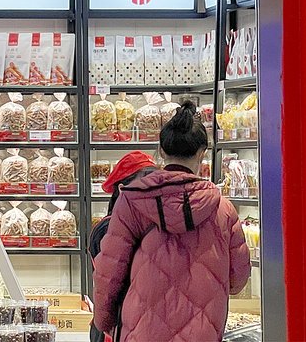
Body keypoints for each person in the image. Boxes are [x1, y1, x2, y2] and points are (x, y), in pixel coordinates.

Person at [92, 101, 251, 341]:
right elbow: (237, 279)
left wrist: (104, 321)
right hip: (203, 333)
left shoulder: (132, 203)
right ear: (202, 153)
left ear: (161, 151)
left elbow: (109, 274)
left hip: (141, 332)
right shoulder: (223, 209)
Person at [87, 151, 158, 342]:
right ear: (122, 188)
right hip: (116, 326)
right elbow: (109, 285)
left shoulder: (151, 223)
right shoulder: (107, 228)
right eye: (145, 181)